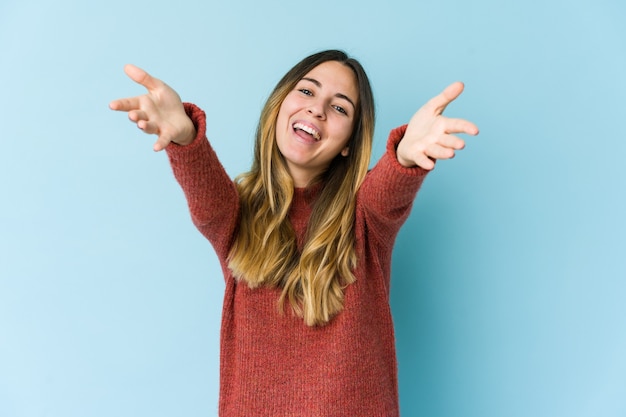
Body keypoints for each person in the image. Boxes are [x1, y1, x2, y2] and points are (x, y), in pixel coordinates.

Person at [110, 49, 478, 417]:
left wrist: (404, 157)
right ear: (279, 106)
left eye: (340, 108)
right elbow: (205, 191)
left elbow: (389, 188)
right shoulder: (235, 213)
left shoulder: (366, 215)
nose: (317, 109)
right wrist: (186, 137)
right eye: (306, 92)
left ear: (350, 142)